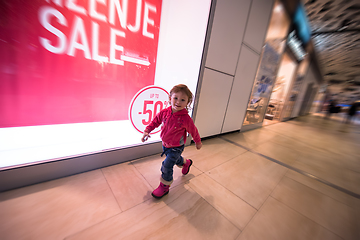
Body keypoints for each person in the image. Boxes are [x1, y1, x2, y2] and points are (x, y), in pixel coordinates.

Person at [141, 84, 202, 198]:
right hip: (165, 145)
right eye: (175, 98)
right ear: (170, 98)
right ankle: (186, 162)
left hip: (177, 146)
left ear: (187, 103)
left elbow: (193, 130)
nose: (178, 102)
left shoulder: (185, 118)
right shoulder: (165, 112)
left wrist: (197, 141)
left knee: (167, 165)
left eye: (182, 100)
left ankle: (165, 186)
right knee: (175, 159)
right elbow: (155, 121)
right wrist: (147, 130)